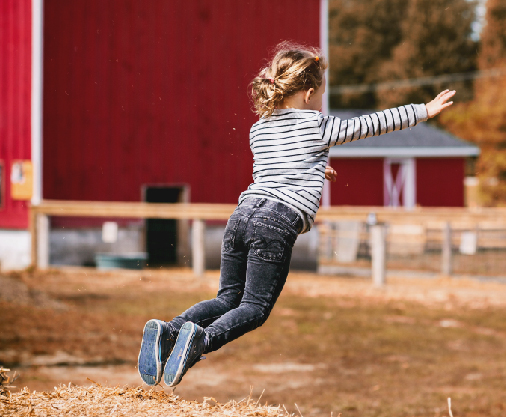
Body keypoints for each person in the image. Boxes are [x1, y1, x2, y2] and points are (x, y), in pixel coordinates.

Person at [137, 41, 455, 387]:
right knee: (254, 307)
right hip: (275, 222)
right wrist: (424, 110)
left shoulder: (258, 129)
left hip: (242, 215)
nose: (321, 103)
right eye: (320, 95)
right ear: (307, 93)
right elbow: (373, 123)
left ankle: (169, 330)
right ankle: (202, 340)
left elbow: (279, 168)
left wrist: (319, 171)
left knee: (226, 298)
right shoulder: (316, 125)